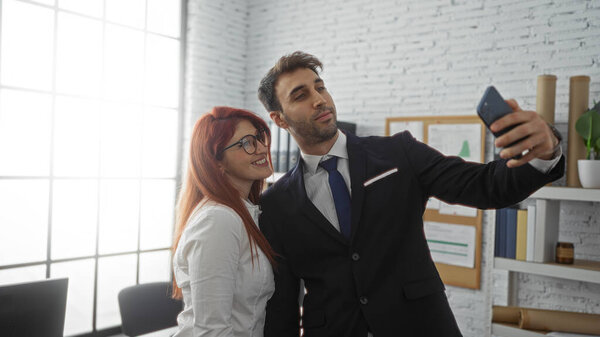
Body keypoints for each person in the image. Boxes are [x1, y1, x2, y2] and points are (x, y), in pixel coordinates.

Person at [257, 51, 564, 337]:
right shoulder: (274, 204)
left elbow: (486, 186)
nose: (319, 100)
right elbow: (282, 303)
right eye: (301, 95)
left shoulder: (398, 153)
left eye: (320, 88)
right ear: (280, 119)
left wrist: (545, 149)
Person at [171, 106, 277, 337]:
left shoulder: (242, 212)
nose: (261, 148)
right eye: (247, 143)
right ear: (217, 162)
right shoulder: (218, 220)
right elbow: (212, 331)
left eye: (259, 138)